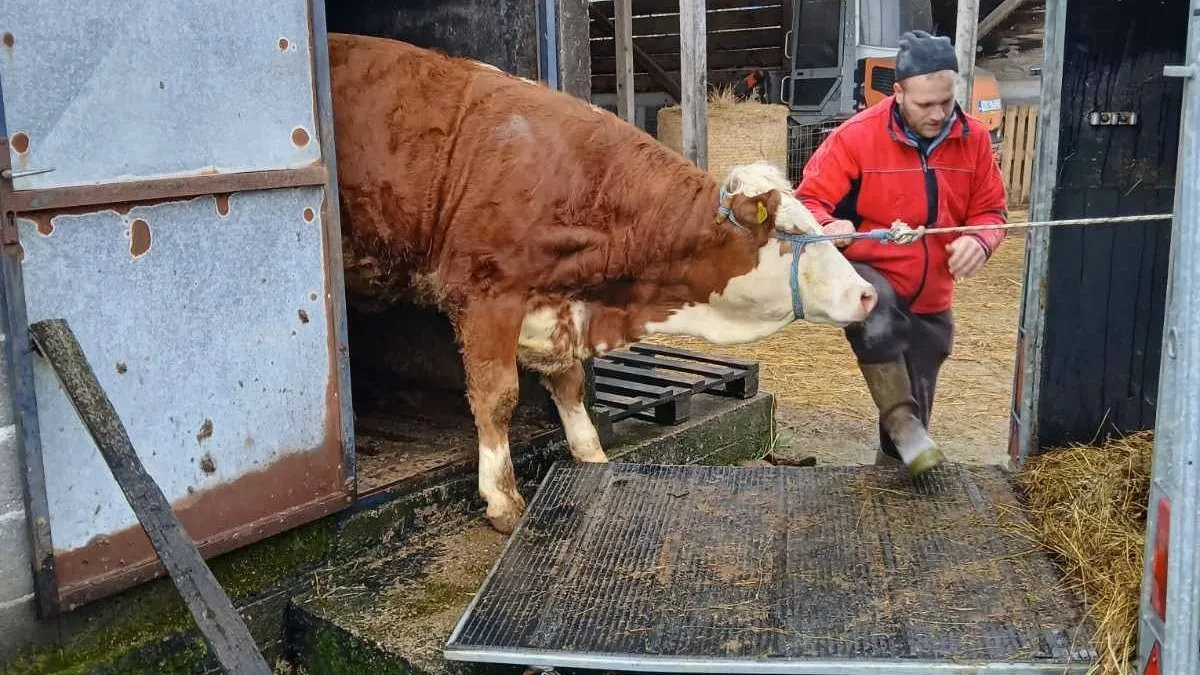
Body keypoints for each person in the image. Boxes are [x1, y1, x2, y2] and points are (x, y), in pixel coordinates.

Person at [795, 29, 1008, 476]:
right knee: (876, 315)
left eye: (946, 102)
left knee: (917, 393)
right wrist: (831, 225)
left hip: (933, 294)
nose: (938, 114)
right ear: (897, 92)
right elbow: (808, 202)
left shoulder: (973, 139)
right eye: (924, 104)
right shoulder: (856, 136)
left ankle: (893, 469)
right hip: (871, 271)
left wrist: (979, 240)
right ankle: (902, 427)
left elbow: (991, 211)